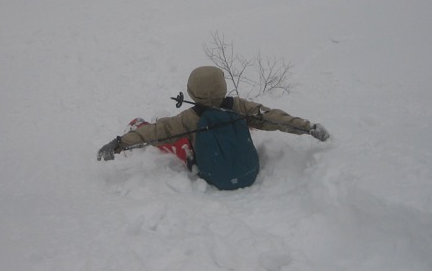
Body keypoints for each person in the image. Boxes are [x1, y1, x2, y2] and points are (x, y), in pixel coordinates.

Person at [97, 66, 330, 189]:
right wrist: (308, 127)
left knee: (174, 139)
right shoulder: (239, 106)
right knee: (251, 123)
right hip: (251, 173)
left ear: (191, 91)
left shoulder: (188, 119)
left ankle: (142, 128)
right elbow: (274, 118)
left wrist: (118, 144)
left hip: (214, 179)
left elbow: (154, 134)